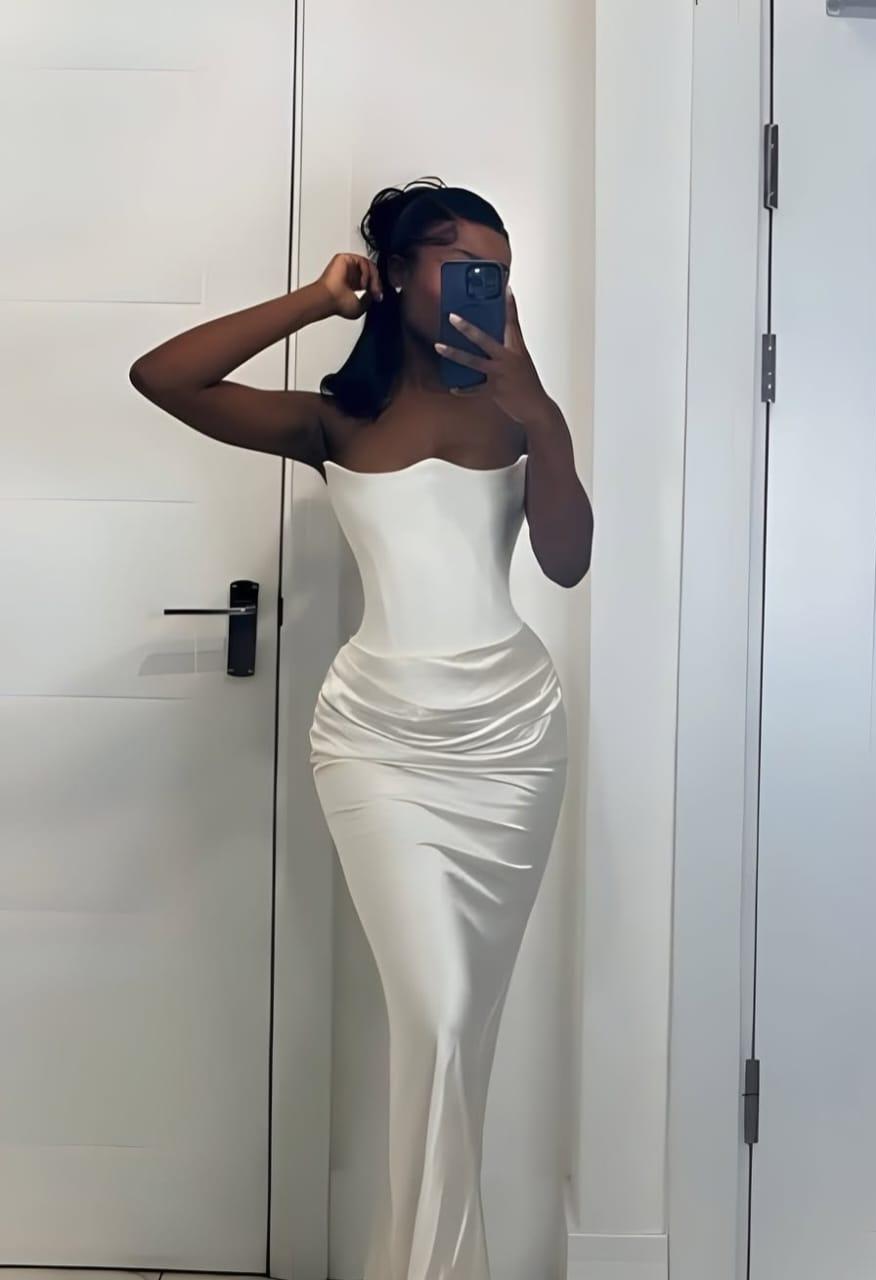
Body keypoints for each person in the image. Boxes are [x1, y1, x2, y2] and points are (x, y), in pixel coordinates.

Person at [129, 177, 593, 1279]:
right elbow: (164, 377)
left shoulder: (518, 409)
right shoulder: (334, 417)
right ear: (394, 273)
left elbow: (569, 561)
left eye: (499, 270)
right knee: (438, 1013)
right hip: (378, 745)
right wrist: (316, 297)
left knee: (460, 1025)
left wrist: (541, 414)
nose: (485, 285)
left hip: (510, 743)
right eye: (459, 263)